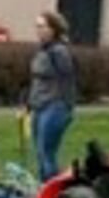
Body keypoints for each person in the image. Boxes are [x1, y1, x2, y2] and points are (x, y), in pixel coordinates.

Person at [25, 11, 78, 179]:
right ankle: (44, 190)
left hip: (55, 106)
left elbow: (67, 81)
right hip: (39, 106)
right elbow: (37, 82)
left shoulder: (59, 52)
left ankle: (53, 194)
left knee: (46, 153)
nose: (38, 30)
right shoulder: (42, 51)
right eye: (37, 26)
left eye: (43, 26)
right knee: (40, 154)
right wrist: (28, 105)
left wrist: (67, 107)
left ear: (53, 29)